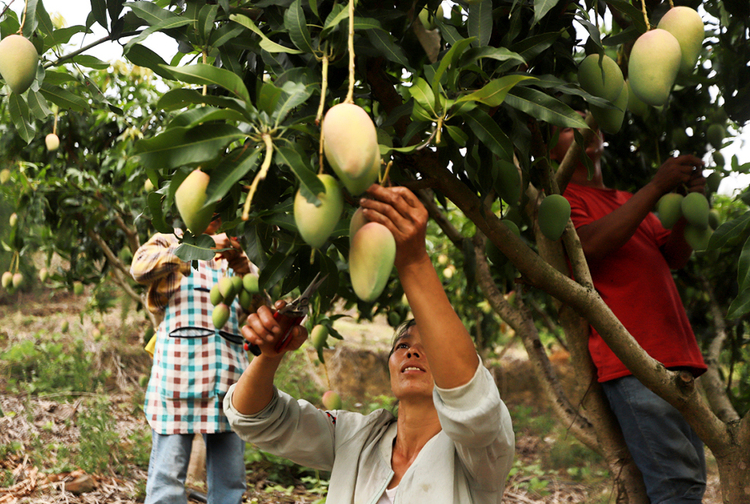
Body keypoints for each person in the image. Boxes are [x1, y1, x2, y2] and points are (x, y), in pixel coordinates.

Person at [224, 184, 515, 504]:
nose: (412, 351)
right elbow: (254, 419)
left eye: (429, 347)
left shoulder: (480, 454)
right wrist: (269, 356)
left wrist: (414, 261)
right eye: (402, 345)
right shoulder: (355, 438)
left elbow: (473, 406)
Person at [550, 121, 708, 503]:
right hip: (634, 362)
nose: (584, 129)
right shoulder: (562, 200)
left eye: (589, 122)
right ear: (550, 149)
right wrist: (655, 187)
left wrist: (690, 203)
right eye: (568, 126)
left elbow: (674, 256)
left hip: (675, 355)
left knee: (689, 483)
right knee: (678, 486)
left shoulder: (624, 199)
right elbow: (587, 246)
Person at [131, 216, 251, 504]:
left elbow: (259, 310)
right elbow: (139, 267)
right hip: (178, 380)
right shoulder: (170, 241)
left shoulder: (235, 255)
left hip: (229, 384)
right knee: (167, 482)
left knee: (231, 484)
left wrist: (244, 269)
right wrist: (200, 249)